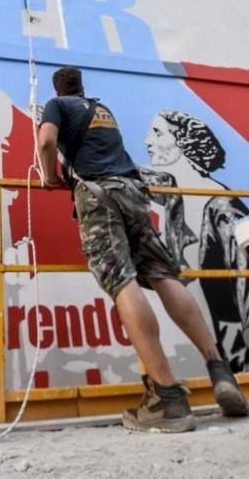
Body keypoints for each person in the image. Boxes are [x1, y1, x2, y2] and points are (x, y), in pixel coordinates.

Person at [37, 66, 248, 433]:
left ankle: (167, 397)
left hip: (99, 197)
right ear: (82, 86)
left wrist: (50, 177)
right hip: (134, 194)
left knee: (122, 282)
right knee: (163, 274)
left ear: (58, 89)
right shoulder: (102, 110)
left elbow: (45, 143)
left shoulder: (57, 105)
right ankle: (219, 369)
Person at [145, 110, 249, 371]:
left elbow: (241, 296)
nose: (147, 141)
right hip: (214, 349)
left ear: (183, 142)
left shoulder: (220, 206)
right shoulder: (173, 198)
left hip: (236, 350)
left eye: (158, 133)